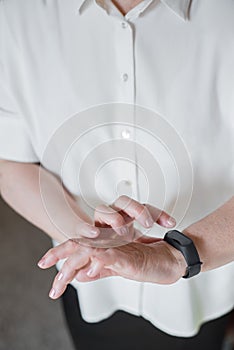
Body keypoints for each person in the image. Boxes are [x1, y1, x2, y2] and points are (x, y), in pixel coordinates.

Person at [0, 0, 234, 349]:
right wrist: (85, 236)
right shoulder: (14, 13)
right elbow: (10, 161)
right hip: (88, 282)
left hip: (206, 280)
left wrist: (178, 255)